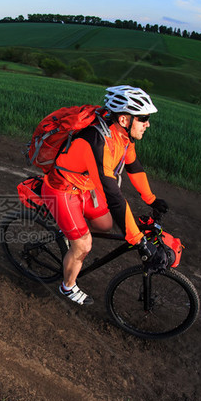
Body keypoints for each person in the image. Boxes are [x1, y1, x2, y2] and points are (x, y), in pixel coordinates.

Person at [41, 85, 169, 305]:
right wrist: (139, 241)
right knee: (84, 245)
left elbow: (134, 167)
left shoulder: (123, 137)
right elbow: (114, 197)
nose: (148, 124)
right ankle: (67, 286)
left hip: (84, 189)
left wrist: (151, 199)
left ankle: (69, 234)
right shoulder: (97, 142)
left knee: (105, 224)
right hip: (62, 190)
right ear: (124, 120)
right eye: (143, 118)